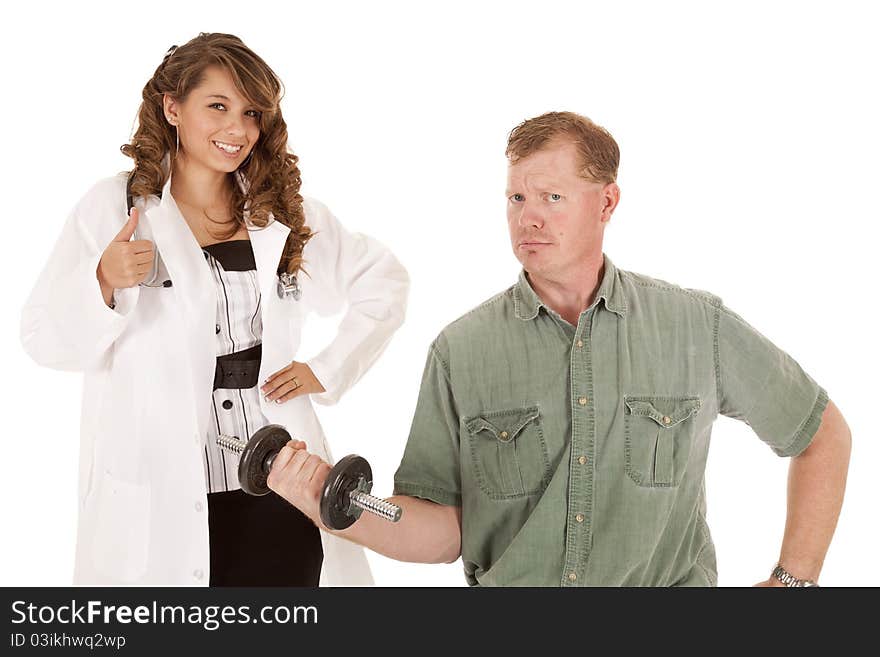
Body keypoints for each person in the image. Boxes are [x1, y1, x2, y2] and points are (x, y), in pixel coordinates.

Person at [266, 111, 851, 586]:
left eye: (550, 196)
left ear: (607, 201)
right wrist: (329, 502)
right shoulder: (462, 351)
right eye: (516, 198)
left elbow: (821, 434)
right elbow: (444, 533)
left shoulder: (696, 327)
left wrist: (792, 582)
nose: (528, 218)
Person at [20, 33, 409, 586]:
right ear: (172, 107)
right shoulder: (115, 207)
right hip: (164, 486)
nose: (237, 130)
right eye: (218, 106)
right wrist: (102, 281)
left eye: (251, 113)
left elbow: (385, 282)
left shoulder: (279, 213)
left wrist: (325, 369)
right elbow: (42, 338)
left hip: (279, 477)